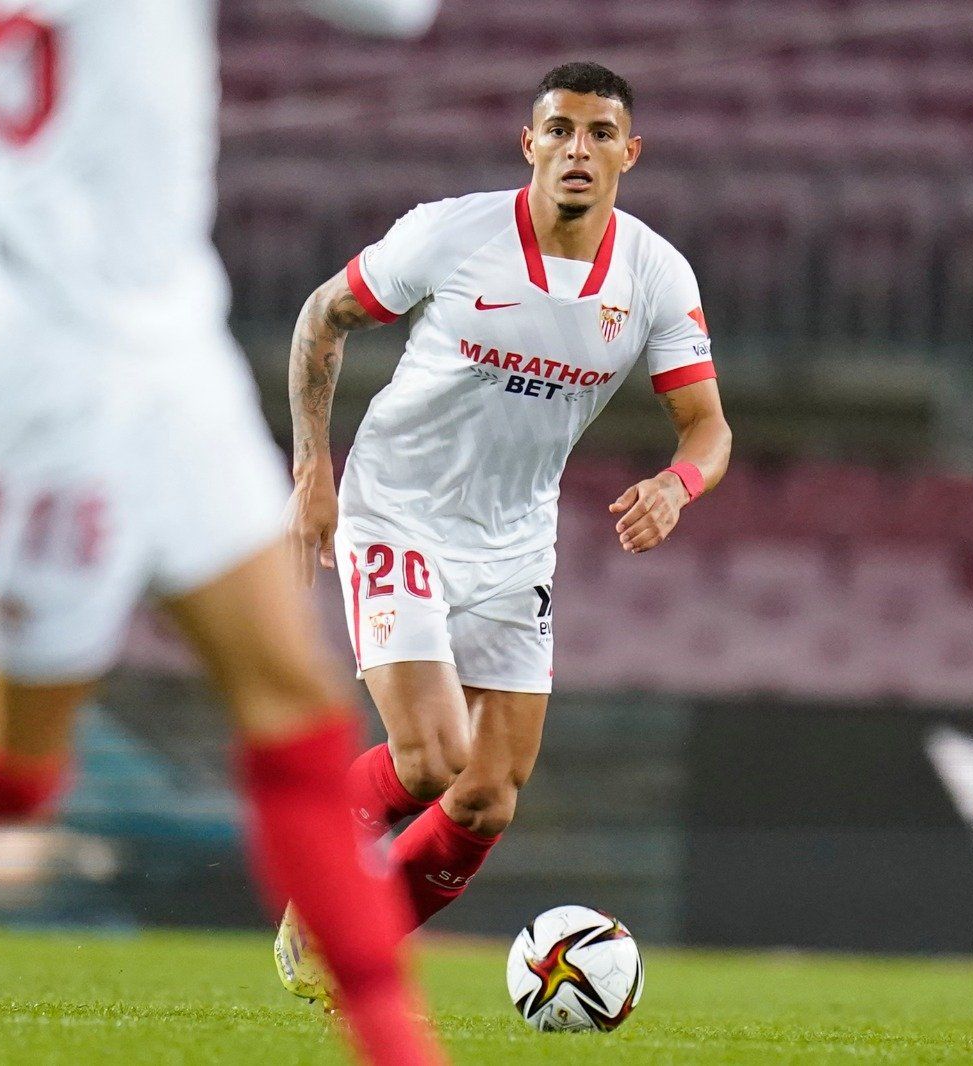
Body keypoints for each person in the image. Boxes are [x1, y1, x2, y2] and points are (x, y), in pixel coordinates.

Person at [0, 1, 447, 1062]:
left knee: (295, 718)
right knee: (5, 773)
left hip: (165, 347)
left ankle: (399, 1047)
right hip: (51, 378)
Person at [278, 60, 732, 988]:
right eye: (559, 129)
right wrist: (311, 468)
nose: (578, 148)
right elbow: (322, 319)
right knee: (432, 755)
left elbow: (709, 426)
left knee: (485, 798)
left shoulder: (653, 274)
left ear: (629, 154)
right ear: (529, 143)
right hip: (398, 512)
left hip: (514, 540)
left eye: (600, 133)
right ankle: (334, 902)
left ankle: (351, 948)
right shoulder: (450, 234)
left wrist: (679, 486)